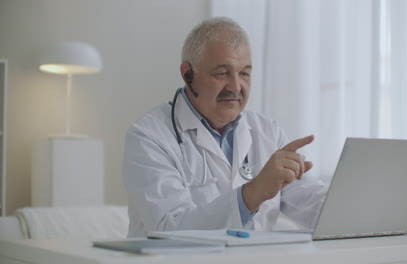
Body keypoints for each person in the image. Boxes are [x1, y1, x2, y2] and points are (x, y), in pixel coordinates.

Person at [123, 17, 326, 237]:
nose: (236, 86)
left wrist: (357, 208)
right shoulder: (148, 137)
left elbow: (312, 203)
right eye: (222, 73)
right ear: (187, 74)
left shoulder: (268, 132)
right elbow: (169, 229)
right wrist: (252, 193)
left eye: (244, 73)